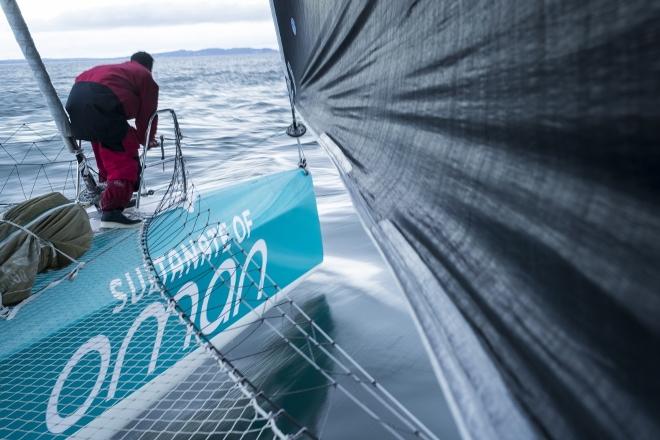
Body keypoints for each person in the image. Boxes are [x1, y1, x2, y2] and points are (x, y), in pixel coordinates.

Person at [66, 51, 159, 228]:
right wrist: (146, 139)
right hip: (102, 105)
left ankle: (110, 198)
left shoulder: (119, 70)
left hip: (77, 102)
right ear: (149, 67)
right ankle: (112, 212)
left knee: (106, 154)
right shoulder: (145, 75)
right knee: (124, 158)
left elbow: (80, 79)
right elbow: (148, 115)